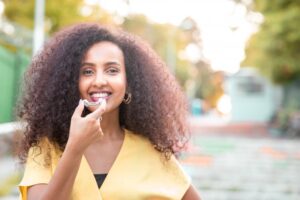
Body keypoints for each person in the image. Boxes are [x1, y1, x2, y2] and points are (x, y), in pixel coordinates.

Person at [17, 23, 201, 200]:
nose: (99, 81)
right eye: (87, 71)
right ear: (71, 82)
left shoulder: (152, 150)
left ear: (128, 83)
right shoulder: (46, 147)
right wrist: (75, 147)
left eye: (112, 70)